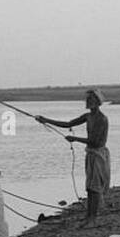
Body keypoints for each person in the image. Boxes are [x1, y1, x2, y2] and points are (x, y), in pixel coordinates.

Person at [36, 90, 110, 227]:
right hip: (91, 154)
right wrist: (45, 120)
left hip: (98, 155)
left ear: (97, 102)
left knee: (94, 188)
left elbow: (95, 142)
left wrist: (74, 139)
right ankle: (89, 217)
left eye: (91, 100)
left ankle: (92, 219)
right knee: (89, 187)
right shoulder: (88, 116)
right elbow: (68, 124)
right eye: (87, 100)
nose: (88, 102)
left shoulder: (101, 119)